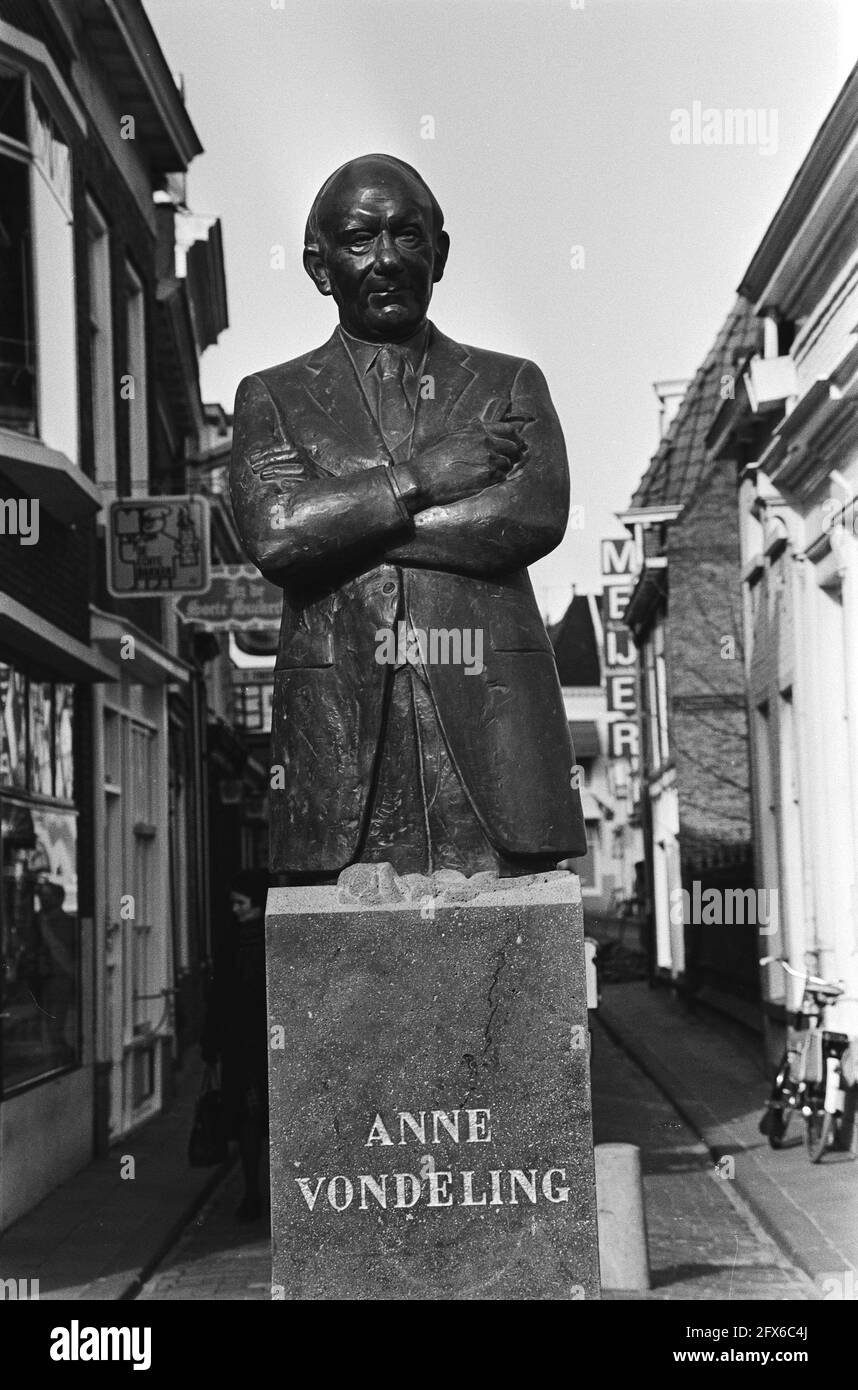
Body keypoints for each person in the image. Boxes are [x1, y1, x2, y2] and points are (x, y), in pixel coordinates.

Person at [229, 153, 586, 881]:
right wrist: (421, 479)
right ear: (319, 265)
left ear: (441, 253)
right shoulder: (272, 396)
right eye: (360, 240)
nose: (387, 258)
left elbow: (530, 518)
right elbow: (275, 535)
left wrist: (349, 527)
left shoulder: (508, 382)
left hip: (492, 732)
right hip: (342, 740)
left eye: (408, 236)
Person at [201, 869, 269, 1221]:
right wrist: (211, 1045)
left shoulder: (270, 939)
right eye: (234, 904)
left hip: (262, 1047)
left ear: (257, 903)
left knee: (257, 1120)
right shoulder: (234, 941)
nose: (236, 910)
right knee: (251, 1119)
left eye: (241, 903)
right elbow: (218, 997)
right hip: (246, 1048)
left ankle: (258, 1192)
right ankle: (253, 1191)